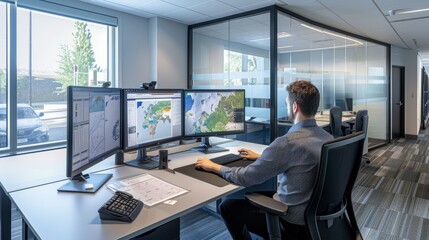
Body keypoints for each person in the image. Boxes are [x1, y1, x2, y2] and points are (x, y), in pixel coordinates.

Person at [195, 80, 334, 240]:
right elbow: (302, 163)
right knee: (254, 195)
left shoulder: (287, 142)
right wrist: (262, 158)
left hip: (290, 223)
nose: (287, 108)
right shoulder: (328, 137)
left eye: (287, 104)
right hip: (315, 218)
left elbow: (246, 177)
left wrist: (214, 166)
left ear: (295, 107)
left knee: (227, 205)